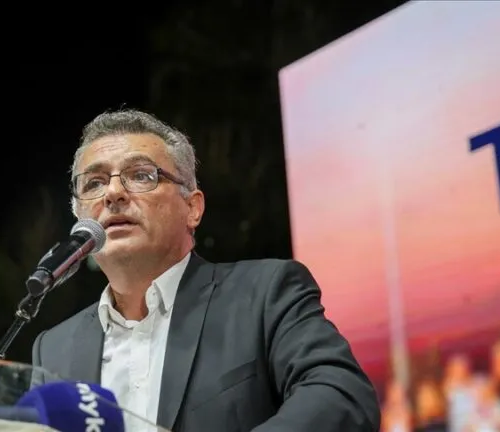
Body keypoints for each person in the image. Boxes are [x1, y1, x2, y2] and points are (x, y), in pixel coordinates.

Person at [31, 109, 380, 431]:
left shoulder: (264, 294)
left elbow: (340, 395)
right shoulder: (54, 348)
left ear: (192, 208)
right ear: (79, 216)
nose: (113, 193)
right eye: (93, 183)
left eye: (140, 175)